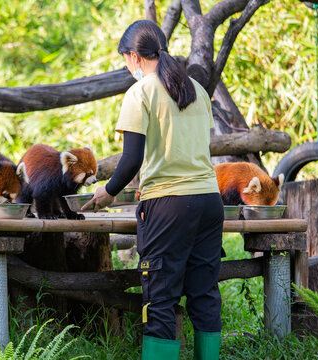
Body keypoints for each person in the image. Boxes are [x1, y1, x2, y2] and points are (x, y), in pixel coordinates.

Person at [82, 20, 224, 360]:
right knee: (204, 293)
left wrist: (109, 192)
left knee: (160, 299)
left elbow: (131, 159)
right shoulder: (196, 90)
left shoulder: (141, 92)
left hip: (169, 207)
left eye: (125, 60)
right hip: (208, 201)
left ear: (134, 56)